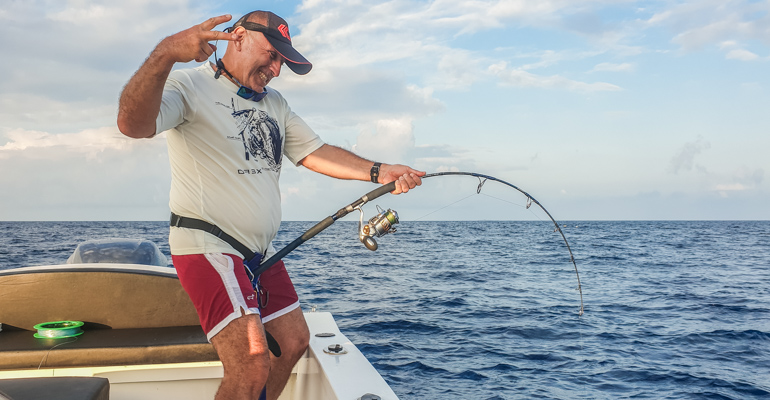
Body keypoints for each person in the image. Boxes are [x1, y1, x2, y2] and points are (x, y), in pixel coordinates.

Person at [117, 10, 424, 400]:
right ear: (239, 37)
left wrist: (380, 171)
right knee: (251, 360)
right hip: (208, 248)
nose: (276, 69)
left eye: (282, 61)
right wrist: (165, 54)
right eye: (272, 55)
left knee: (294, 339)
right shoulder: (187, 85)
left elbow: (317, 152)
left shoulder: (275, 104)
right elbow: (132, 124)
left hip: (258, 253)